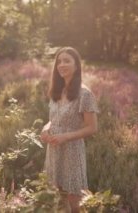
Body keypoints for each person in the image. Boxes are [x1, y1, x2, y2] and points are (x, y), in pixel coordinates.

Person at [40, 47, 98, 213]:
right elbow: (53, 119)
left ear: (77, 66)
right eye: (59, 61)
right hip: (54, 149)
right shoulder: (56, 91)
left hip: (72, 151)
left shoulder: (84, 94)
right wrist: (46, 128)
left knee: (75, 204)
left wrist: (65, 136)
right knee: (57, 198)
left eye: (67, 61)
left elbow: (92, 128)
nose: (62, 65)